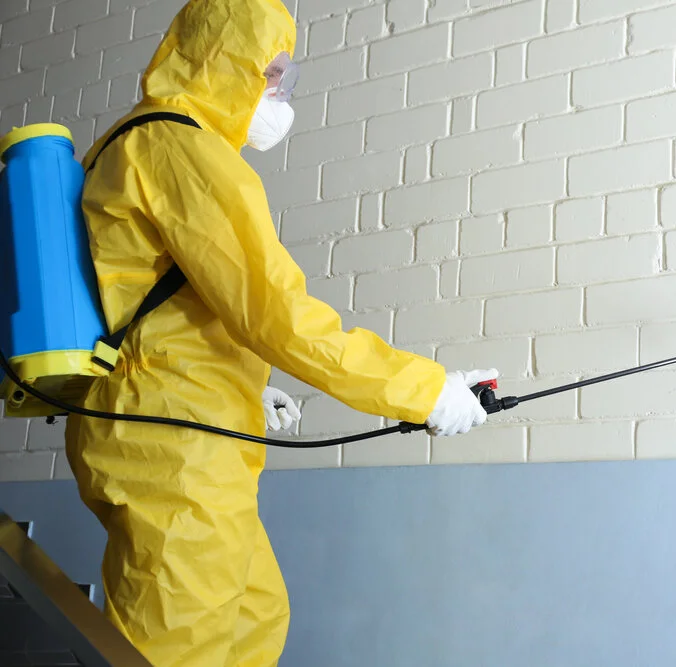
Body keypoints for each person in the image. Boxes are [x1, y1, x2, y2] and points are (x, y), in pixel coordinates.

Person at [63, 0, 495, 665]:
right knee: (181, 646)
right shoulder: (179, 147)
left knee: (255, 615)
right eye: (270, 72)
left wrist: (243, 383)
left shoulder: (145, 143)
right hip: (173, 441)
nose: (279, 91)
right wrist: (424, 391)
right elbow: (276, 311)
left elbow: (158, 298)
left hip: (183, 423)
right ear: (223, 62)